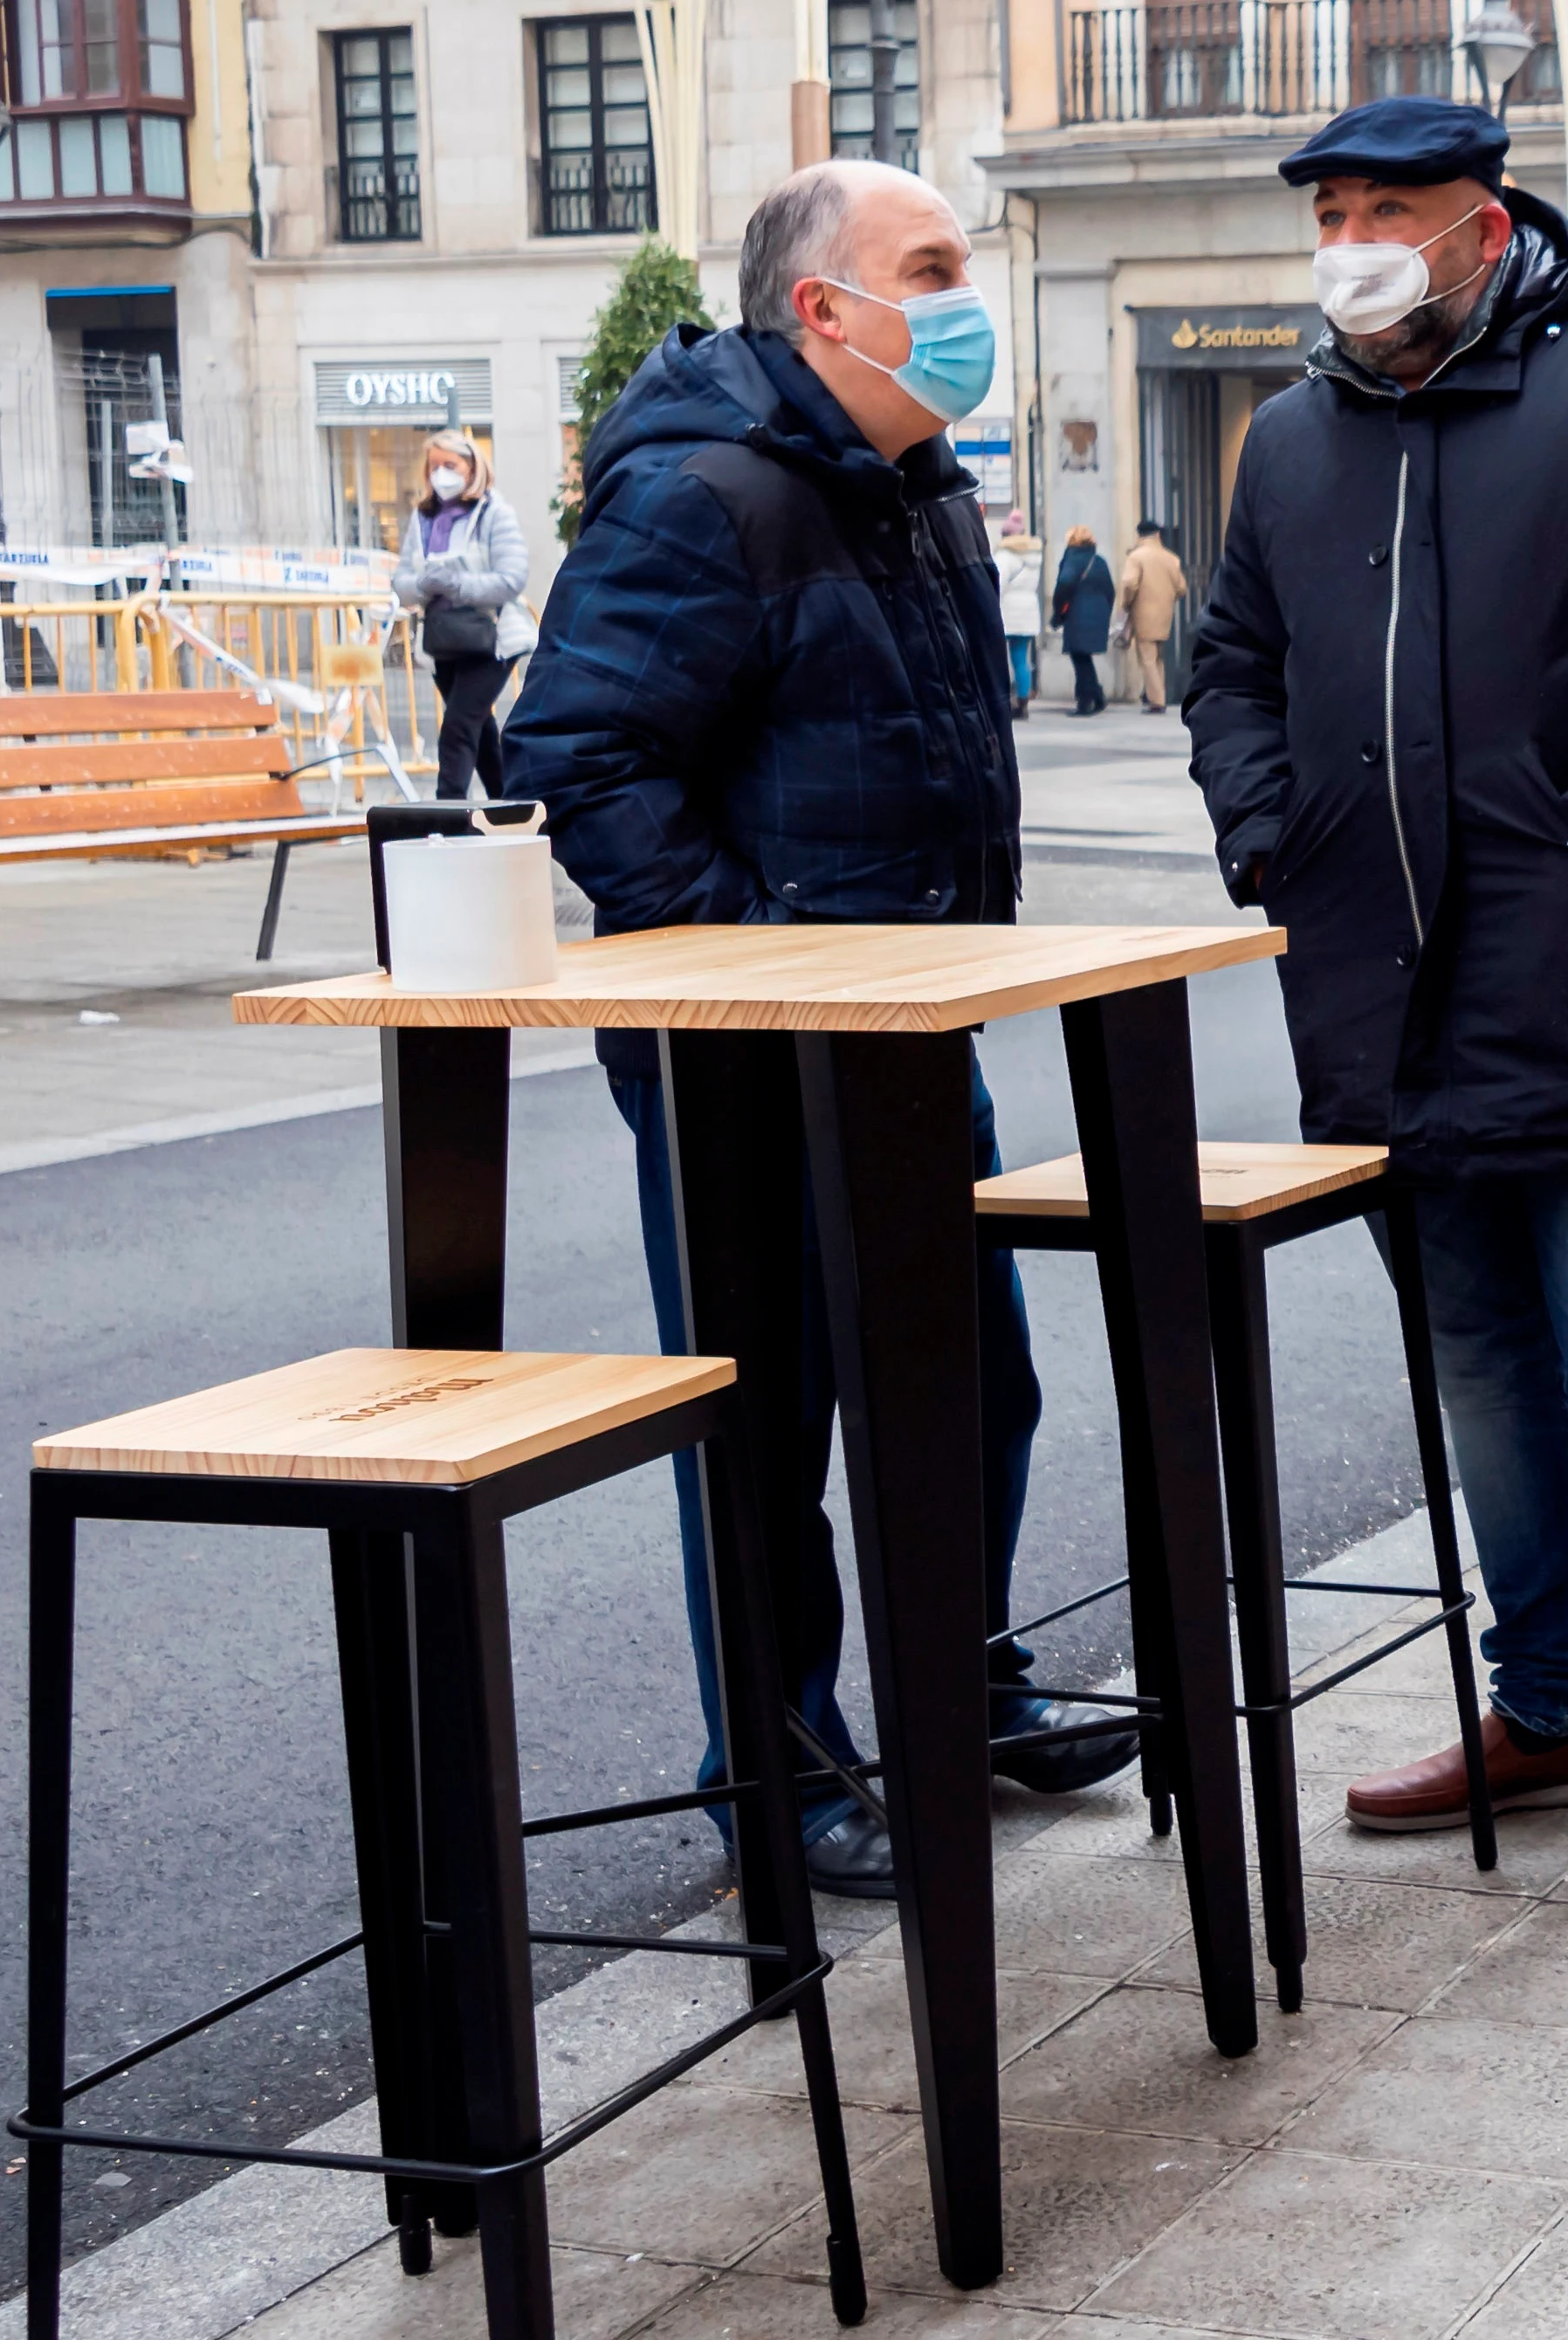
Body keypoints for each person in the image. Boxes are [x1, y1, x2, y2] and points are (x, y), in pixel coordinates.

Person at [1186, 95, 1568, 1911]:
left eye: (1393, 205)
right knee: (1477, 1368)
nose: (1355, 237)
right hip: (1384, 991)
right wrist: (1267, 831)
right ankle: (1550, 1709)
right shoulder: (1294, 439)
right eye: (1330, 212)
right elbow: (1229, 659)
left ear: (1484, 217)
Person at [504, 158, 1136, 1900]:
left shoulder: (913, 488)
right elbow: (576, 753)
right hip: (743, 1051)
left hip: (914, 1026)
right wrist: (754, 955)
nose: (962, 297)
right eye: (928, 266)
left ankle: (960, 1683)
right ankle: (776, 1769)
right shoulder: (703, 496)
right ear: (823, 307)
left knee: (972, 1383)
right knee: (768, 1421)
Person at [393, 427, 530, 800]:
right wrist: (424, 586)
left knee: (457, 727)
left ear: (471, 469)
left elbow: (512, 578)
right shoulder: (423, 517)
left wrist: (457, 585)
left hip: (491, 639)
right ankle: (512, 809)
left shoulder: (494, 513)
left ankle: (447, 816)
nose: (441, 474)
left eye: (449, 464)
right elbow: (401, 578)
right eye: (434, 466)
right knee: (478, 728)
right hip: (444, 641)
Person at [1118, 520, 1189, 712]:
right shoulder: (1171, 558)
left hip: (1143, 612)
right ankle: (1157, 695)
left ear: (1139, 535)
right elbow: (1182, 587)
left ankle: (1157, 701)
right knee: (1158, 658)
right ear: (1158, 535)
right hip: (1165, 613)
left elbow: (1129, 583)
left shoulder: (1136, 557)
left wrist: (1126, 603)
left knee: (1147, 659)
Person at [1052, 523, 1113, 715]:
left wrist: (1058, 612)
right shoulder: (1099, 560)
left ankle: (1086, 702)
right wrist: (1104, 612)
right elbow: (1110, 590)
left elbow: (1064, 584)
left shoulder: (1072, 559)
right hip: (1098, 615)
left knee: (1079, 657)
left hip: (1077, 615)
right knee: (1083, 657)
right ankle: (1097, 696)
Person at [994, 514, 1043, 716]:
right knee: (1021, 659)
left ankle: (1003, 700)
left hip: (1007, 611)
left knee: (998, 658)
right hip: (1029, 610)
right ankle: (1023, 704)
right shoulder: (1034, 556)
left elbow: (998, 584)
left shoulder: (1005, 556)